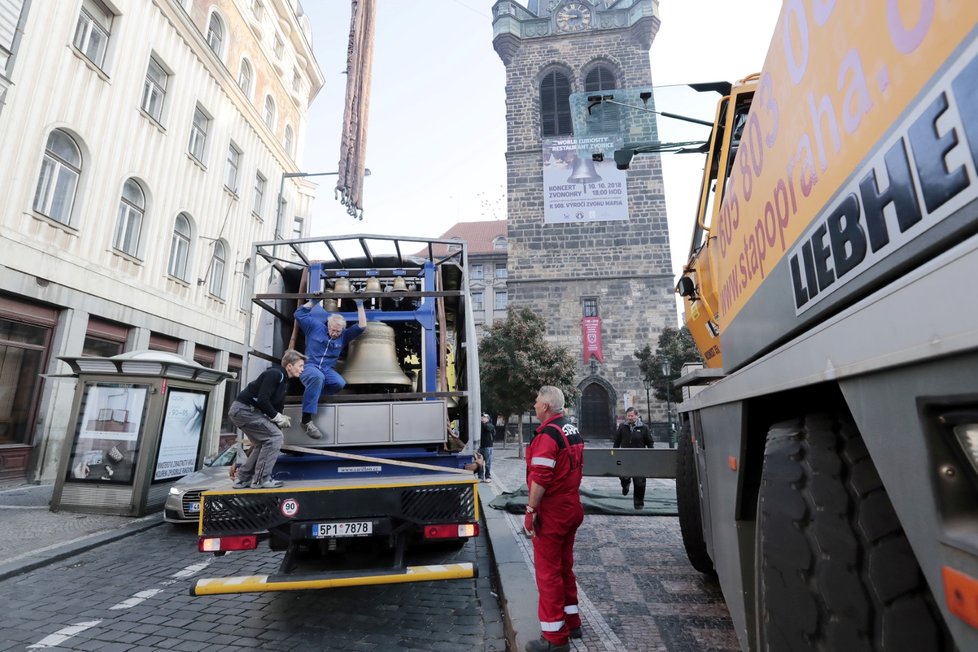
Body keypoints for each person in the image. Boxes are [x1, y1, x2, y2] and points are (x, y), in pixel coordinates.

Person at [523, 386, 585, 652]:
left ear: (546, 406)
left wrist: (530, 510)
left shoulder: (548, 436)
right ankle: (573, 622)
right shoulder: (571, 429)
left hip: (553, 511)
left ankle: (554, 638)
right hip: (572, 506)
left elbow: (540, 477)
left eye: (537, 401)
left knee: (548, 574)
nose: (534, 405)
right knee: (564, 567)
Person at [228, 350, 306, 489]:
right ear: (289, 366)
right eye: (300, 366)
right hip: (244, 410)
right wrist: (276, 417)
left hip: (245, 412)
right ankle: (261, 480)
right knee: (275, 438)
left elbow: (277, 406)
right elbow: (263, 399)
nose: (302, 369)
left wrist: (279, 420)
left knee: (262, 442)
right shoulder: (275, 374)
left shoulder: (284, 381)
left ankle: (242, 479)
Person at [294, 297, 367, 438]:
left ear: (342, 330)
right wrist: (314, 301)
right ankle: (306, 421)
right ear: (328, 325)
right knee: (317, 377)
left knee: (339, 383)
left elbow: (362, 326)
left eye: (338, 332)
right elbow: (299, 314)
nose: (335, 334)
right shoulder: (314, 327)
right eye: (333, 330)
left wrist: (359, 303)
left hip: (327, 370)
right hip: (309, 366)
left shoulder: (344, 336)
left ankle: (312, 394)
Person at [614, 406, 654, 509]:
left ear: (637, 416)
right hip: (624, 457)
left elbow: (650, 442)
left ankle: (638, 504)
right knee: (623, 476)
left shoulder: (644, 428)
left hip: (639, 459)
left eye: (632, 416)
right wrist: (614, 454)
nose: (630, 418)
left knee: (640, 482)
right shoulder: (622, 427)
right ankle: (625, 484)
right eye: (628, 416)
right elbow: (617, 442)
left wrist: (651, 454)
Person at [479, 412, 495, 482]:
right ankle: (480, 476)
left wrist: (481, 422)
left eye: (484, 417)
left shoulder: (490, 425)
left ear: (488, 419)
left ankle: (488, 476)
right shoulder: (480, 425)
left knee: (487, 462)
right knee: (480, 462)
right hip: (480, 446)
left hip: (487, 446)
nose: (482, 418)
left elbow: (488, 428)